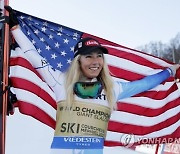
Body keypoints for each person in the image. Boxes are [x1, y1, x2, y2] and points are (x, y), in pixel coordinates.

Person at [2, 6, 180, 154]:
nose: (95, 61)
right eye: (88, 57)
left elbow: (144, 85)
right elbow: (33, 57)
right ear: (78, 61)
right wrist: (16, 29)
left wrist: (168, 72)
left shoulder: (112, 90)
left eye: (99, 56)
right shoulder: (61, 82)